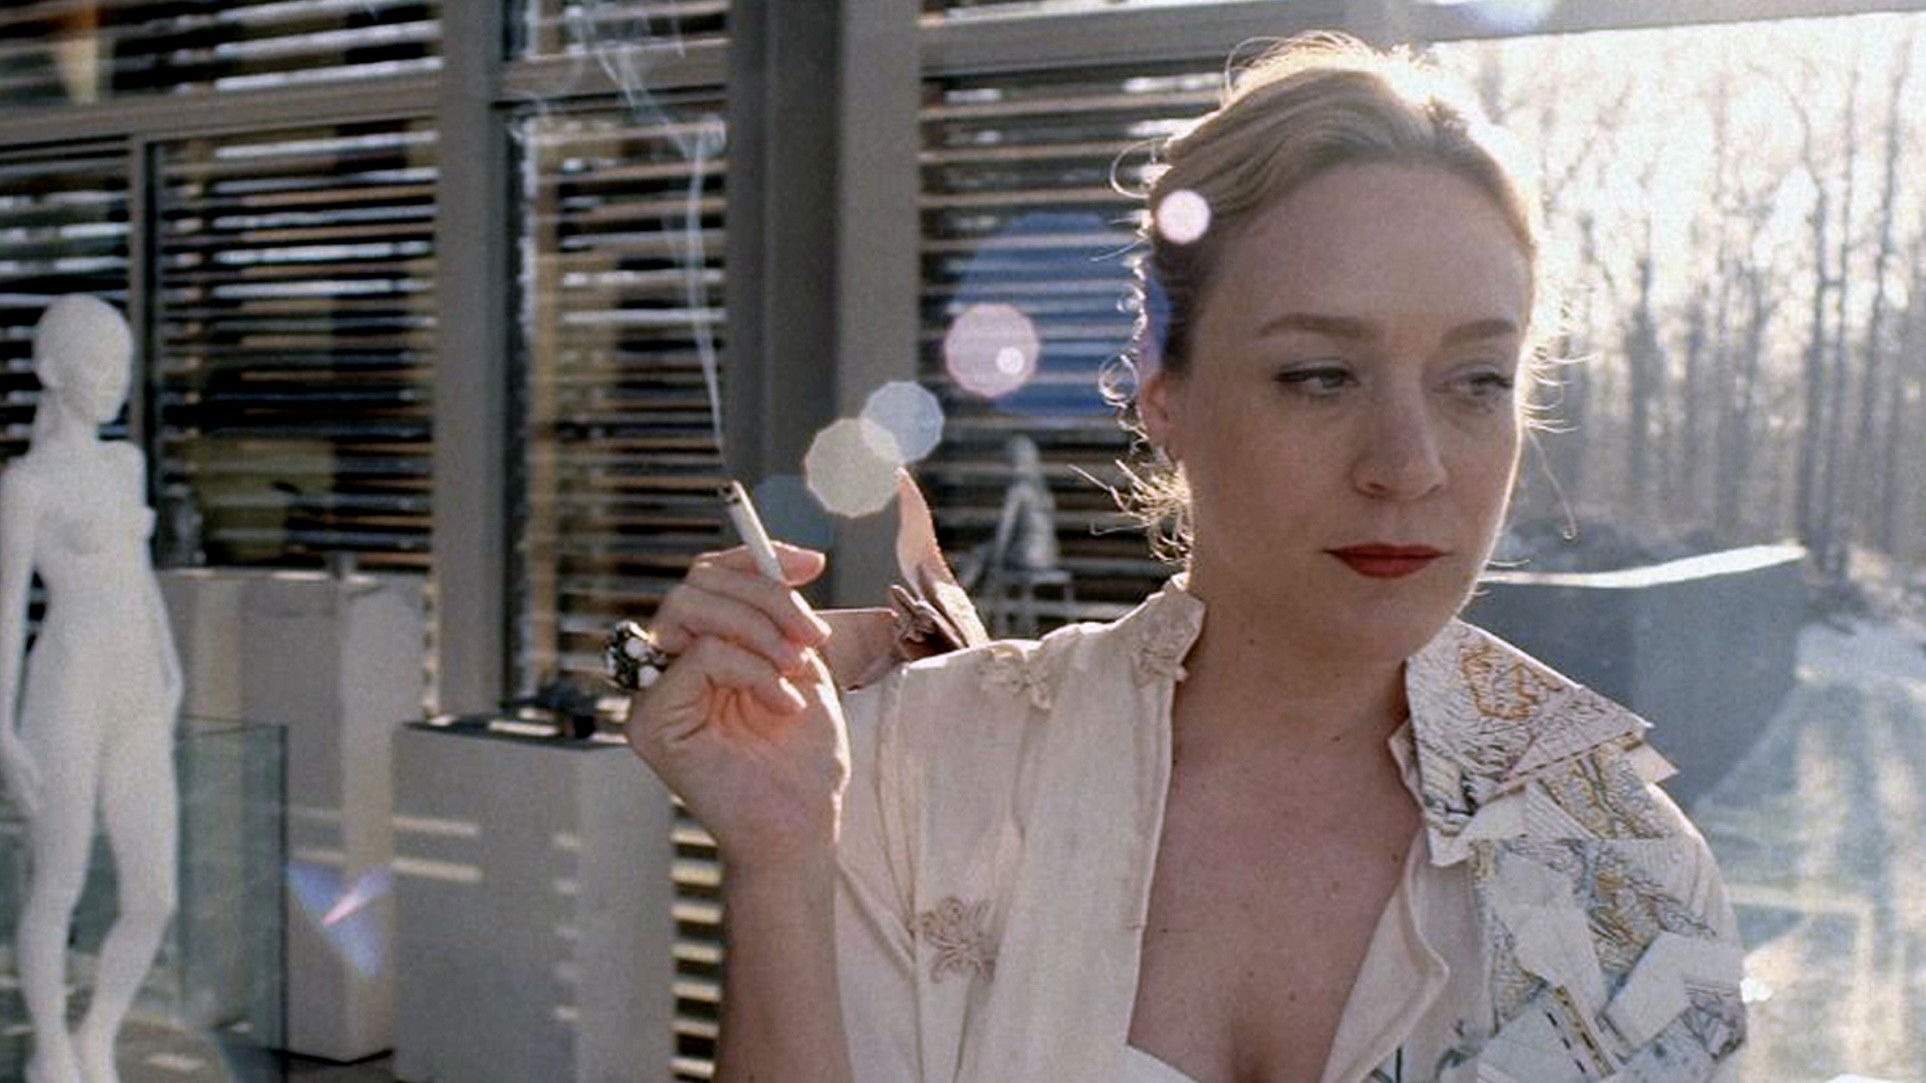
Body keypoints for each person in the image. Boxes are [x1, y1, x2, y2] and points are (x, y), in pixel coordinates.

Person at [623, 34, 1745, 1083]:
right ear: (1164, 387)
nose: (1409, 465)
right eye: (1320, 375)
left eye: (1476, 382)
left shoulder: (1626, 874)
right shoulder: (919, 769)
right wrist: (779, 865)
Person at [0, 296, 183, 1083]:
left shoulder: (124, 463)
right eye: (97, 364)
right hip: (68, 688)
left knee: (155, 893)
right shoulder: (27, 483)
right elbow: (8, 609)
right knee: (59, 882)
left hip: (139, 689)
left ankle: (98, 1030)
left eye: (123, 365)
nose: (113, 380)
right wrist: (1, 728)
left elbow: (139, 581)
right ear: (51, 370)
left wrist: (171, 667)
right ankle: (51, 1045)